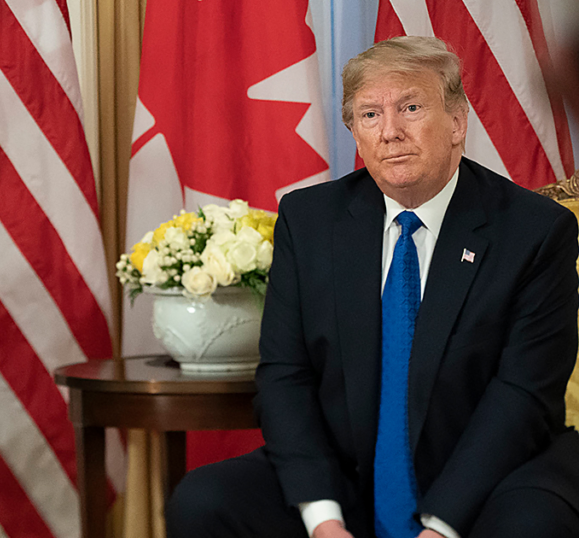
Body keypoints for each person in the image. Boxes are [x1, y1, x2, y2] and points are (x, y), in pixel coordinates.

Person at [166, 36, 579, 538]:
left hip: (492, 477)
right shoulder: (310, 220)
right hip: (349, 473)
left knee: (533, 524)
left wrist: (441, 527)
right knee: (205, 501)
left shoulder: (534, 231)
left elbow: (522, 395)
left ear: (457, 122)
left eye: (411, 107)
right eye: (370, 115)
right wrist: (323, 519)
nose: (390, 132)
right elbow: (286, 374)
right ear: (355, 133)